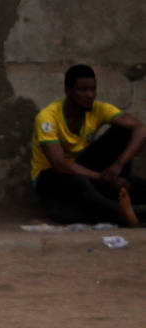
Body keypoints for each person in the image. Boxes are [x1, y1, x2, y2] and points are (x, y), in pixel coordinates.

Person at [30, 63, 143, 226]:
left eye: (93, 89)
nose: (90, 95)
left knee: (124, 131)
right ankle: (124, 212)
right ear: (68, 91)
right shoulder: (47, 117)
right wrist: (101, 178)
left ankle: (119, 203)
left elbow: (141, 129)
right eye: (83, 90)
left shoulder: (98, 109)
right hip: (51, 176)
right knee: (80, 183)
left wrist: (118, 165)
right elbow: (59, 164)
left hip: (83, 170)